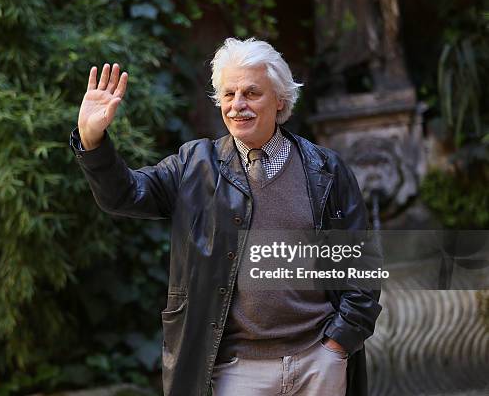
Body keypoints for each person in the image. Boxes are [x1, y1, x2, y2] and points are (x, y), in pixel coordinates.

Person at [70, 38, 382, 396]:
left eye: (251, 93)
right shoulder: (194, 166)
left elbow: (362, 267)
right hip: (235, 373)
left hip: (318, 363)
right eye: (229, 94)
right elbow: (125, 195)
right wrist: (93, 142)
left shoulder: (326, 169)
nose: (238, 106)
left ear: (280, 99)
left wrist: (337, 345)